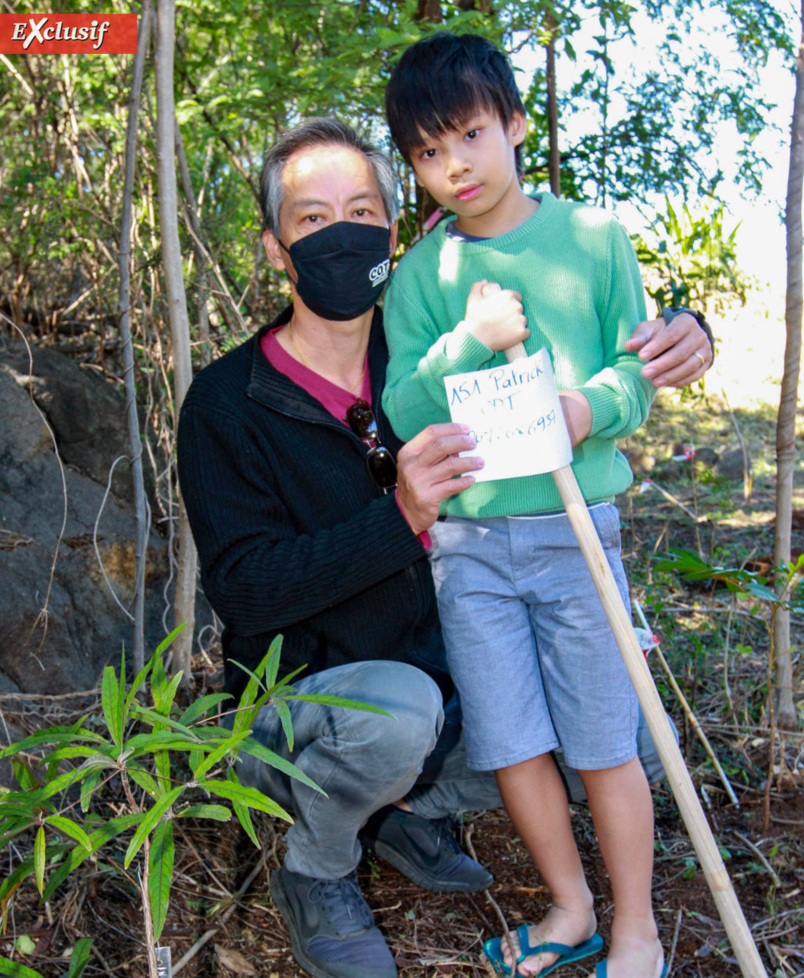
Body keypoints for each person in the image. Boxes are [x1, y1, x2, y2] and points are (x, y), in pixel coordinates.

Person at [177, 116, 712, 978]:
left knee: (621, 740)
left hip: (449, 673)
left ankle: (402, 812)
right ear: (276, 248)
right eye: (313, 220)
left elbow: (566, 324)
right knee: (396, 716)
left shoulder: (426, 358)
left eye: (362, 211)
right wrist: (401, 515)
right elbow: (244, 593)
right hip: (308, 705)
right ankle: (318, 866)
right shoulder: (227, 403)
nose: (341, 233)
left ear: (394, 234)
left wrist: (686, 325)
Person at [382, 32, 678, 978]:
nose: (454, 166)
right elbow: (405, 412)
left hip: (574, 533)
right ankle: (570, 909)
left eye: (469, 134)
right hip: (470, 544)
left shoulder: (593, 240)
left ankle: (637, 927)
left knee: (602, 742)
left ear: (513, 123)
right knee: (513, 743)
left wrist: (592, 403)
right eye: (428, 152)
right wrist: (469, 338)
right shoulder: (422, 280)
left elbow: (638, 366)